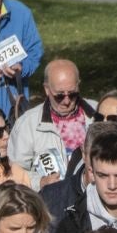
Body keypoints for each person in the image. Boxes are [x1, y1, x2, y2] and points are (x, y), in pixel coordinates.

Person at [7, 57, 93, 191]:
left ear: (78, 85)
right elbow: (16, 172)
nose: (66, 101)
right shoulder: (27, 124)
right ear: (47, 89)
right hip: (51, 200)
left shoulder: (98, 114)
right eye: (59, 95)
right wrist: (40, 182)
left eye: (72, 94)